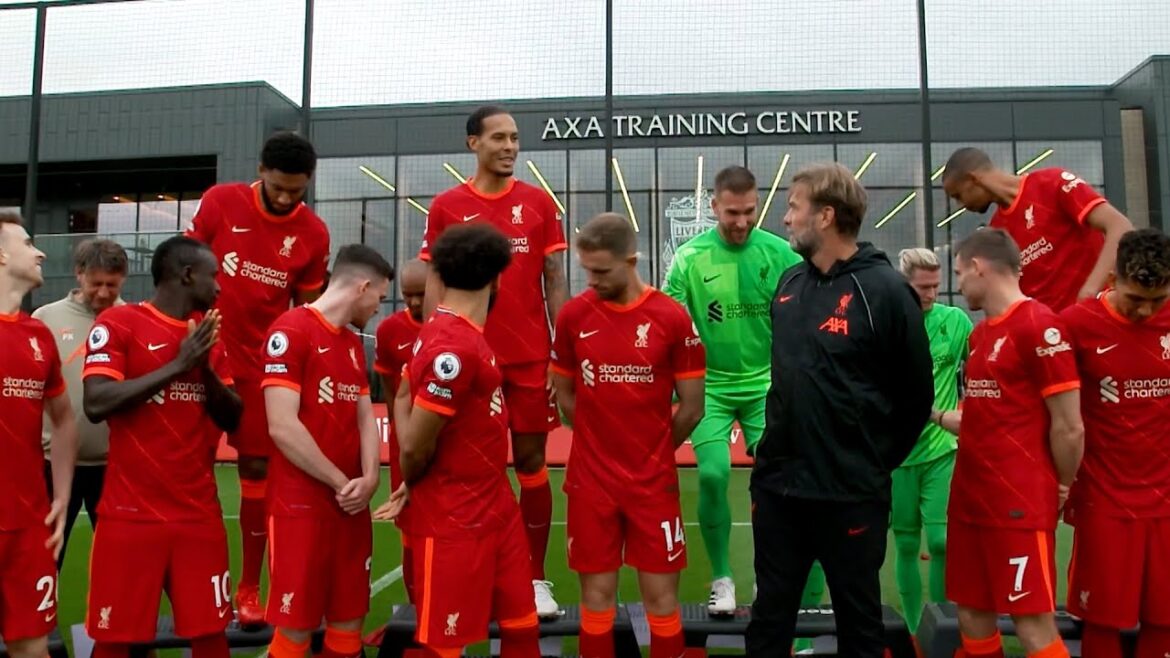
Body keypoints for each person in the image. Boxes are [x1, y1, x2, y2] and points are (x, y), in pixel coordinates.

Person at [746, 163, 934, 658]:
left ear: (825, 215)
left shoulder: (887, 292)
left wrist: (867, 462)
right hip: (779, 489)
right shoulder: (789, 285)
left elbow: (915, 399)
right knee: (769, 620)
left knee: (860, 625)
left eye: (793, 206)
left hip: (849, 493)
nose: (785, 218)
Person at [418, 105, 569, 616]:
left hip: (526, 359)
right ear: (472, 145)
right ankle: (461, 569)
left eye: (515, 138)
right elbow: (434, 280)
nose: (510, 146)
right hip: (462, 360)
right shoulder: (445, 206)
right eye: (499, 138)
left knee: (530, 463)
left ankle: (535, 577)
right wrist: (429, 341)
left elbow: (553, 278)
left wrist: (561, 352)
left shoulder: (538, 205)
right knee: (458, 465)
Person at [185, 131, 331, 625]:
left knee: (254, 471)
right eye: (279, 188)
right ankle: (198, 582)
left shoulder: (313, 232)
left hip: (261, 367)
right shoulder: (220, 202)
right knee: (191, 471)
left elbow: (308, 309)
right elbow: (182, 267)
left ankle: (249, 588)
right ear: (261, 171)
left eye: (298, 190)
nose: (287, 198)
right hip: (203, 353)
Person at [380, 222, 541, 658]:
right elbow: (414, 443)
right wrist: (413, 479)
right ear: (497, 278)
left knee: (522, 628)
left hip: (495, 506)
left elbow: (400, 395)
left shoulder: (450, 333)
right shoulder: (454, 346)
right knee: (444, 643)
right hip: (454, 515)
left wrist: (411, 476)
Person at [552, 213, 705, 658]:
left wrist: (650, 450)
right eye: (587, 271)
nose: (592, 280)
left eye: (602, 271)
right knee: (596, 601)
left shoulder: (671, 318)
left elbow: (692, 406)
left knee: (661, 602)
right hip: (590, 483)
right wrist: (604, 442)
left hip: (651, 484)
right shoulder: (574, 316)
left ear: (631, 261)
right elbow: (564, 395)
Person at [82, 235, 241, 658]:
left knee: (212, 636)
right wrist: (178, 365)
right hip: (131, 517)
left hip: (198, 516)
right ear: (187, 275)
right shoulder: (120, 324)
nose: (220, 287)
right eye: (214, 276)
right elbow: (96, 402)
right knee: (115, 640)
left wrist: (203, 368)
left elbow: (234, 419)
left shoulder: (209, 337)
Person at [661, 165, 810, 616]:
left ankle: (771, 577)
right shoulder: (689, 257)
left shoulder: (782, 254)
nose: (741, 222)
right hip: (710, 388)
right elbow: (667, 317)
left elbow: (805, 317)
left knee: (777, 484)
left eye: (749, 212)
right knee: (711, 474)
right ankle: (722, 578)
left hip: (768, 384)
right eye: (731, 213)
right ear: (714, 207)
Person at [939, 228, 1082, 658]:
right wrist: (928, 414)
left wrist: (1061, 486)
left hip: (1017, 505)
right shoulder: (979, 337)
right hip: (969, 501)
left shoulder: (1040, 326)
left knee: (1032, 621)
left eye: (960, 273)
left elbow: (1069, 426)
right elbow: (984, 418)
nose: (960, 283)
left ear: (979, 267)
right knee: (971, 614)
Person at [260, 244, 388, 658]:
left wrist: (370, 478)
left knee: (348, 622)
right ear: (363, 287)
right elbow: (282, 426)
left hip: (350, 507)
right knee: (295, 628)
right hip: (302, 509)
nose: (379, 308)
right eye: (380, 298)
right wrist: (342, 482)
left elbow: (365, 417)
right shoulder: (291, 329)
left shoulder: (352, 344)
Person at [1060, 228, 1170, 658]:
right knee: (1103, 618)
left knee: (1164, 617)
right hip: (1104, 497)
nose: (1145, 310)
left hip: (1166, 498)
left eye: (1157, 300)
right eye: (1134, 298)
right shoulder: (1076, 325)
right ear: (1111, 280)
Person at [0, 211, 78, 658]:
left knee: (32, 647)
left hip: (29, 524)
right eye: (28, 242)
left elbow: (64, 420)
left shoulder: (38, 336)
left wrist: (62, 497)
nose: (41, 250)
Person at [942, 147, 1132, 312]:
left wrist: (1090, 292)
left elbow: (1119, 226)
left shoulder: (1052, 183)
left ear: (973, 179)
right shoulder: (998, 231)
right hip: (1052, 338)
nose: (961, 205)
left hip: (1095, 319)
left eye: (958, 195)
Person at [892, 247, 973, 634]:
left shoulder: (956, 322)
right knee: (907, 545)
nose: (931, 294)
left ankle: (941, 623)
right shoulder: (888, 323)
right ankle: (911, 628)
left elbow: (986, 363)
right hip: (897, 454)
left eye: (936, 286)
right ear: (904, 283)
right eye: (923, 287)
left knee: (941, 541)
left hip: (942, 448)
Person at [33, 238, 127, 568]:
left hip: (114, 466)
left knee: (118, 562)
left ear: (124, 279)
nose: (102, 292)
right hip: (52, 464)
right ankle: (39, 621)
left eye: (111, 285)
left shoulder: (132, 320)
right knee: (44, 559)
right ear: (78, 274)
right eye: (95, 283)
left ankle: (109, 621)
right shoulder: (45, 318)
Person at [373, 257, 427, 602]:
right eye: (407, 295)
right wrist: (402, 435)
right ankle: (414, 611)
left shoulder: (455, 326)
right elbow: (390, 390)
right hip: (403, 443)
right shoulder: (389, 330)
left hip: (443, 443)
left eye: (420, 293)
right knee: (408, 529)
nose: (414, 302)